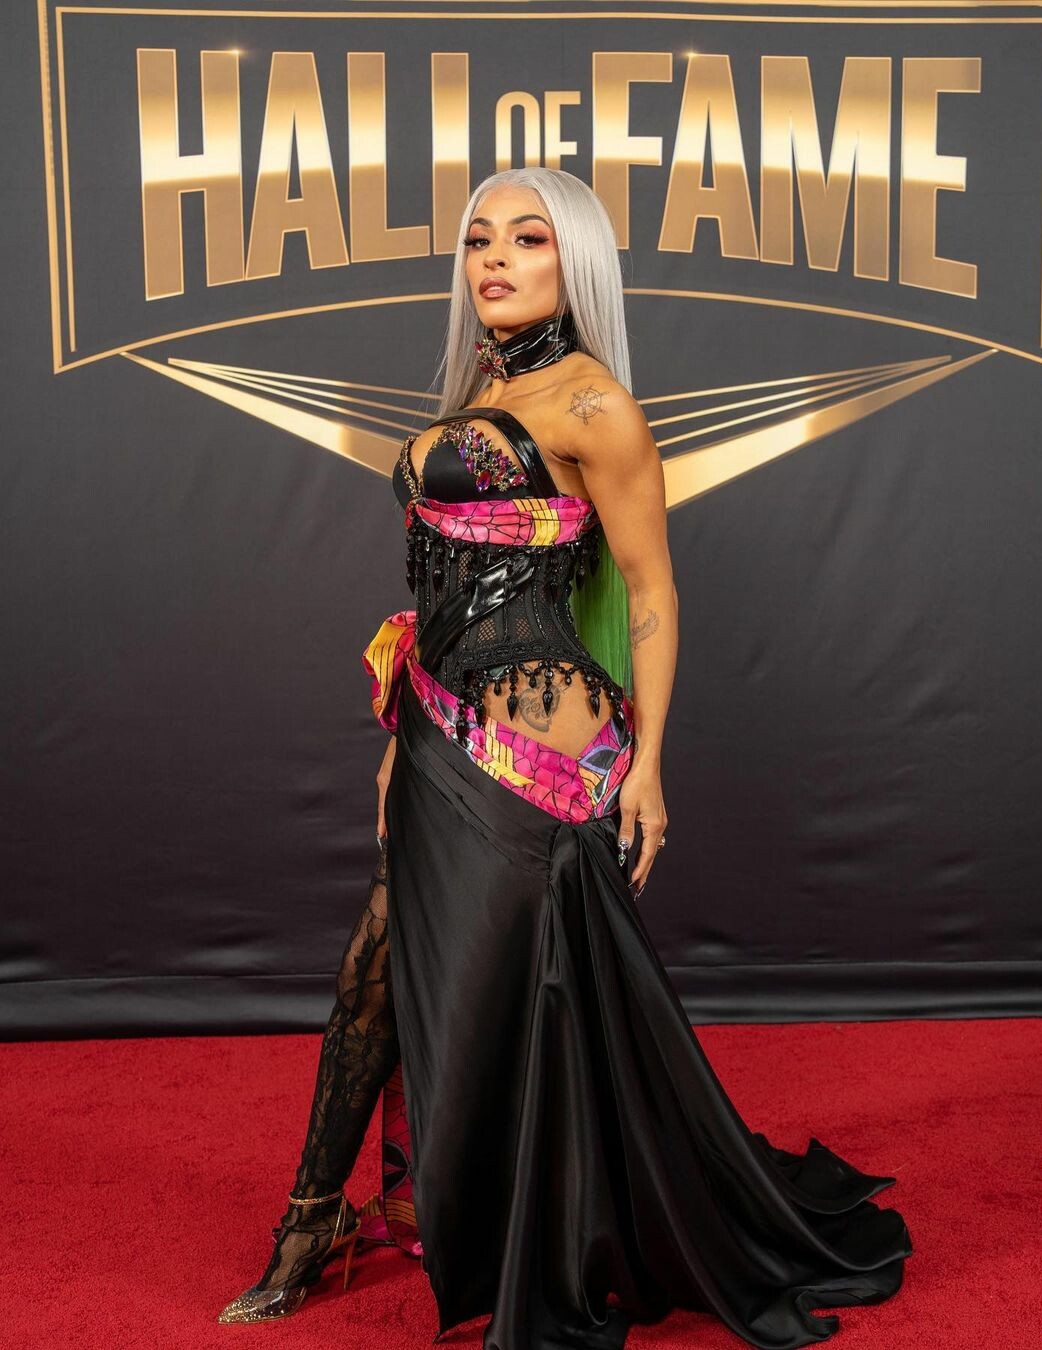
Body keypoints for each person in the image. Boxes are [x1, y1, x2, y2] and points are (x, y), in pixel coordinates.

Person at [218, 167, 914, 1348]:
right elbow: (438, 587)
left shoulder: (596, 405)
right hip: (435, 729)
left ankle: (461, 1223)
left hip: (538, 759)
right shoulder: (482, 392)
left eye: (527, 238)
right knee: (382, 974)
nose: (494, 258)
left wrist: (648, 770)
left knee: (489, 990)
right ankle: (316, 1221)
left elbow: (650, 592)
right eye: (479, 239)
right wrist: (400, 734)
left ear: (573, 260)